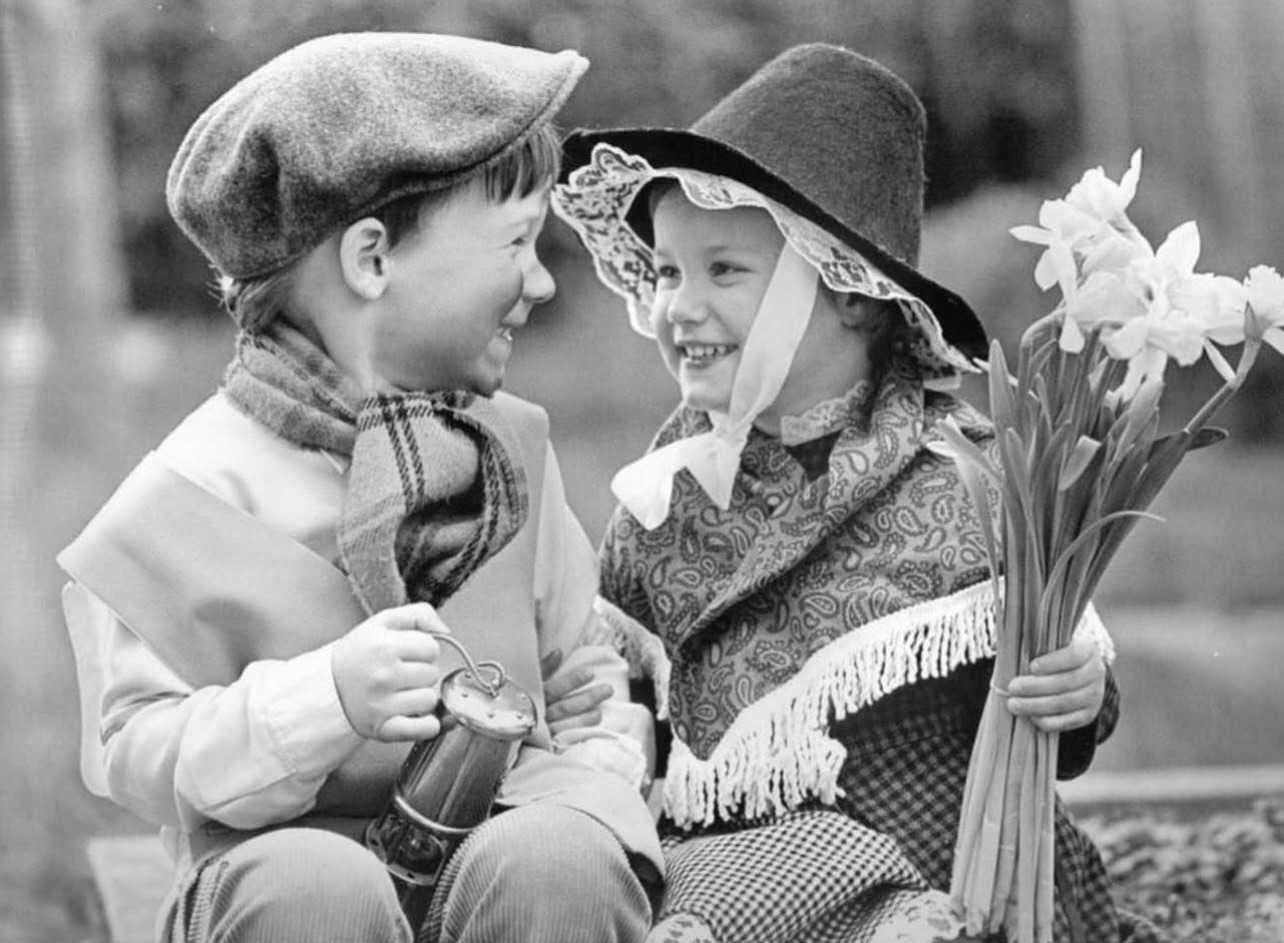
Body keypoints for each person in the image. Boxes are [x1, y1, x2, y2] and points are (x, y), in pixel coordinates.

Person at [57, 32, 662, 943]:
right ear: (372, 259)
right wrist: (326, 697)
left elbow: (585, 680)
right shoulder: (179, 502)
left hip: (508, 865)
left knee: (558, 858)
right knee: (312, 884)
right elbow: (141, 751)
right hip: (284, 873)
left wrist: (590, 795)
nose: (541, 281)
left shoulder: (511, 452)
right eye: (517, 242)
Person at [554, 44, 1158, 943]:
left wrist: (1079, 692)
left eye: (723, 271)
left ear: (851, 295)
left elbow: (1056, 717)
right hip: (745, 882)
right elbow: (627, 721)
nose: (678, 305)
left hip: (955, 865)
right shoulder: (658, 502)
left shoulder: (967, 470)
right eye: (670, 271)